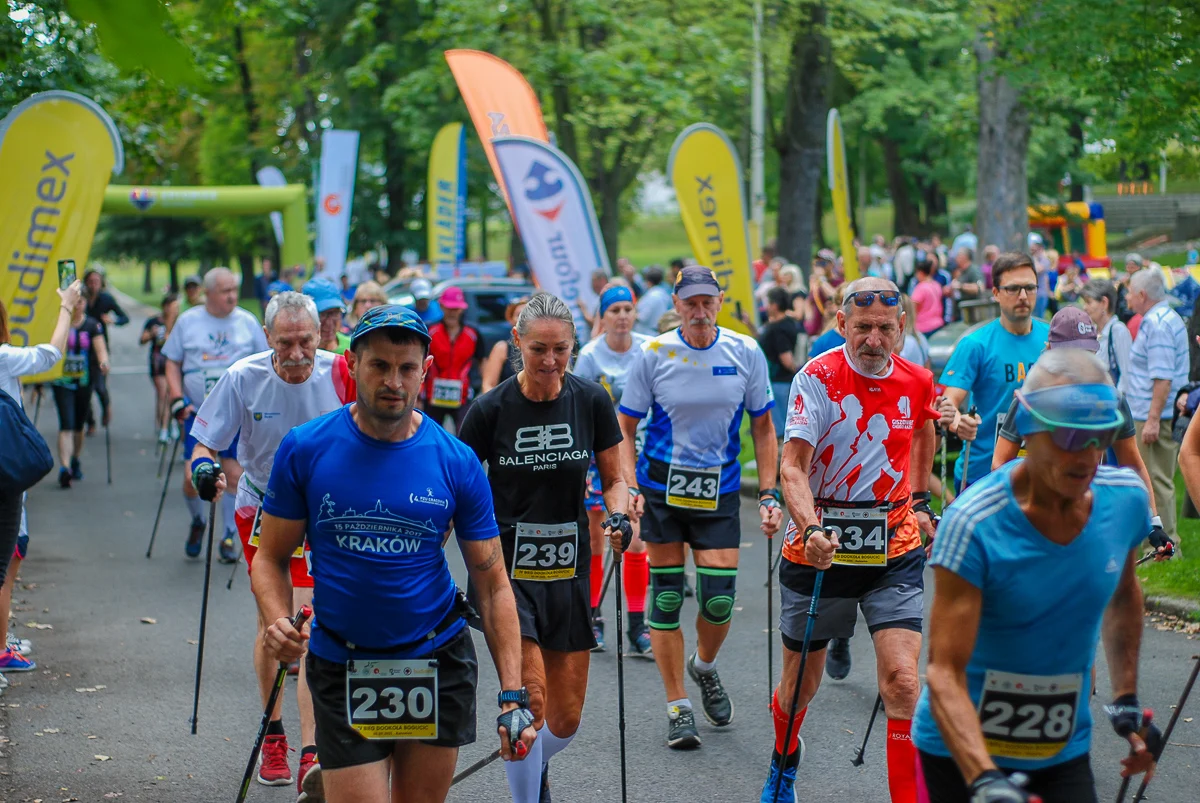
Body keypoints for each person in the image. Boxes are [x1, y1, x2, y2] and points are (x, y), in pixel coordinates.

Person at [254, 305, 536, 803]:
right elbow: (270, 557)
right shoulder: (305, 448)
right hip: (342, 660)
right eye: (379, 366)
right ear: (351, 364)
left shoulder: (456, 460)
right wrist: (278, 620)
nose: (393, 381)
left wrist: (513, 696)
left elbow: (493, 585)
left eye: (406, 368)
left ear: (424, 370)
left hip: (435, 657)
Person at [914, 350, 1160, 802]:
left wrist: (1126, 699)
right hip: (959, 755)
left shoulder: (1125, 501)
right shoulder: (974, 523)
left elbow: (1124, 596)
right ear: (1027, 427)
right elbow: (944, 672)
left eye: (1100, 437)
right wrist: (985, 780)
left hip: (1059, 751)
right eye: (1069, 436)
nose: (1087, 455)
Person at [764, 277, 939, 802]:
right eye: (862, 327)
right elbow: (792, 468)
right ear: (841, 324)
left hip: (894, 545)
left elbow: (924, 429)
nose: (873, 340)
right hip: (820, 549)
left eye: (885, 329)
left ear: (901, 328)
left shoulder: (917, 379)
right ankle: (783, 764)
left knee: (903, 682)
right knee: (800, 687)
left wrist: (920, 500)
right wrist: (811, 528)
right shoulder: (816, 379)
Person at [459, 292, 629, 801]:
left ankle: (531, 762)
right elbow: (457, 488)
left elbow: (615, 479)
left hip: (569, 569)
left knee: (566, 718)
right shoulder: (489, 410)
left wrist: (619, 515)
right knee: (529, 703)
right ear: (517, 341)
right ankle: (527, 790)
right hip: (506, 575)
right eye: (539, 349)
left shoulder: (591, 400)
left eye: (561, 350)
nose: (551, 361)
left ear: (575, 345)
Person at [618, 265, 783, 749]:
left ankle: (704, 666)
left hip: (719, 490)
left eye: (707, 301)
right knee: (668, 598)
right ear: (676, 304)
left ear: (719, 301)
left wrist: (768, 493)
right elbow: (625, 427)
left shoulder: (745, 351)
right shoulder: (654, 353)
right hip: (661, 488)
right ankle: (678, 706)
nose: (699, 310)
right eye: (690, 302)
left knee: (717, 601)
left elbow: (764, 428)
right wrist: (629, 486)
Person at [188, 291, 343, 794]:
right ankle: (274, 734)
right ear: (267, 338)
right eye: (285, 343)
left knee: (310, 624)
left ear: (319, 335)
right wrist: (205, 470)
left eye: (305, 341)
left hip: (322, 510)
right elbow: (203, 445)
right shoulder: (243, 377)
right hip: (262, 508)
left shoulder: (341, 372)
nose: (297, 354)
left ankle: (313, 753)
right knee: (275, 624)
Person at [992, 306, 1171, 559]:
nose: (1078, 363)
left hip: (1090, 518)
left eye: (1086, 354)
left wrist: (1153, 523)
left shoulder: (1110, 399)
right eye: (1069, 355)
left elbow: (1132, 463)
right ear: (1050, 351)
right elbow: (1000, 463)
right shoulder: (1031, 398)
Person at [0, 280, 85, 677]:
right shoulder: (3, 357)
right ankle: (1, 649)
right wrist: (65, 307)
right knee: (7, 562)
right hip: (6, 472)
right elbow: (51, 354)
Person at [164, 268, 268, 561]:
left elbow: (265, 364)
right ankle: (198, 520)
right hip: (199, 413)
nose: (232, 296)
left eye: (234, 290)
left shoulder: (247, 322)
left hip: (238, 414)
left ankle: (228, 537)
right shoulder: (188, 321)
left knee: (234, 476)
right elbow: (171, 362)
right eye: (225, 291)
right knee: (192, 478)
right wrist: (176, 398)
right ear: (207, 293)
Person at [573, 285, 653, 655]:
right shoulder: (591, 356)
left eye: (627, 309)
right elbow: (578, 409)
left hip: (638, 453)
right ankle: (594, 617)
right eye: (614, 310)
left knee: (635, 537)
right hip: (598, 455)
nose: (622, 316)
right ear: (602, 317)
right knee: (596, 537)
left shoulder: (649, 349)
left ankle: (637, 624)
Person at [938, 253, 1051, 492]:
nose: (1023, 296)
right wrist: (959, 423)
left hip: (1041, 472)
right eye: (1013, 289)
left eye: (1030, 288)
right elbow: (949, 402)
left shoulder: (1053, 340)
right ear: (996, 293)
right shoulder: (976, 344)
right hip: (983, 475)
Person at [1125, 268, 1189, 552]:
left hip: (1155, 416)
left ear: (1142, 295)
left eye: (1129, 292)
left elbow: (1163, 378)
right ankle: (1161, 542)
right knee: (1154, 478)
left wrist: (1152, 420)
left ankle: (1164, 545)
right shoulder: (1164, 318)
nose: (1126, 298)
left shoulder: (1157, 324)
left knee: (1155, 481)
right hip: (1156, 412)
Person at [49, 292, 110, 488]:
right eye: (75, 301)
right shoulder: (59, 323)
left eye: (81, 302)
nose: (77, 305)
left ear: (84, 303)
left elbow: (101, 349)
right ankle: (65, 468)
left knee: (78, 426)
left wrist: (103, 362)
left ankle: (75, 458)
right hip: (62, 382)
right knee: (66, 424)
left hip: (84, 382)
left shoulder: (91, 325)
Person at [423, 286, 484, 431]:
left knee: (464, 433)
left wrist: (482, 386)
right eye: (449, 308)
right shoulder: (430, 330)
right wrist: (419, 392)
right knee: (432, 434)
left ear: (462, 309)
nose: (452, 313)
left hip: (463, 396)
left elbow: (482, 360)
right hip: (432, 395)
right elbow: (420, 360)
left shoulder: (473, 333)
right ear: (441, 306)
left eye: (456, 309)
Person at [82, 266, 127, 436]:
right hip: (82, 348)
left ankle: (106, 407)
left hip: (100, 349)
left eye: (96, 281)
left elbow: (124, 318)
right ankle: (90, 422)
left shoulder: (106, 299)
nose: (93, 285)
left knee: (100, 386)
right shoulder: (81, 299)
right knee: (85, 389)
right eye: (90, 281)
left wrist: (112, 321)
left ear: (101, 283)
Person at [757, 286, 800, 437]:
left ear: (774, 305)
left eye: (767, 303)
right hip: (781, 382)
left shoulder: (778, 329)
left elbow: (786, 358)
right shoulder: (784, 323)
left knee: (782, 430)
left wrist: (798, 373)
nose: (765, 307)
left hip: (779, 383)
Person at [141, 292, 180, 445]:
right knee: (163, 394)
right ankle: (163, 428)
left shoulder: (180, 323)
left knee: (172, 394)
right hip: (158, 361)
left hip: (174, 362)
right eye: (170, 306)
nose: (172, 310)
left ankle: (173, 423)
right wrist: (152, 334)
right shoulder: (154, 322)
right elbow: (142, 339)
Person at [1081, 279, 1132, 391]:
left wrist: (1117, 399)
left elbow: (1126, 375)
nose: (1084, 308)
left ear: (1104, 303)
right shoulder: (1092, 331)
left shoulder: (1118, 331)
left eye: (1089, 302)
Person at [482, 296, 530, 393]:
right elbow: (488, 385)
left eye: (528, 315)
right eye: (519, 315)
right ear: (511, 320)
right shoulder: (502, 348)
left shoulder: (544, 349)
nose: (523, 319)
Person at [302, 277, 351, 353]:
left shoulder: (351, 348)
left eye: (335, 313)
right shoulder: (299, 352)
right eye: (322, 315)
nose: (329, 323)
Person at [910, 256, 944, 336]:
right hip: (938, 324)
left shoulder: (921, 287)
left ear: (920, 272)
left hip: (924, 327)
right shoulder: (937, 285)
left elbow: (913, 307)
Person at [635, 265, 673, 336]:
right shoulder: (664, 293)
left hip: (648, 333)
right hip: (656, 331)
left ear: (648, 282)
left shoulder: (651, 296)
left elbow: (642, 317)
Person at [577, 270, 610, 339]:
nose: (592, 285)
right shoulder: (598, 300)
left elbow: (595, 324)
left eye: (593, 281)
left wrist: (583, 310)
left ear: (602, 280)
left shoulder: (606, 300)